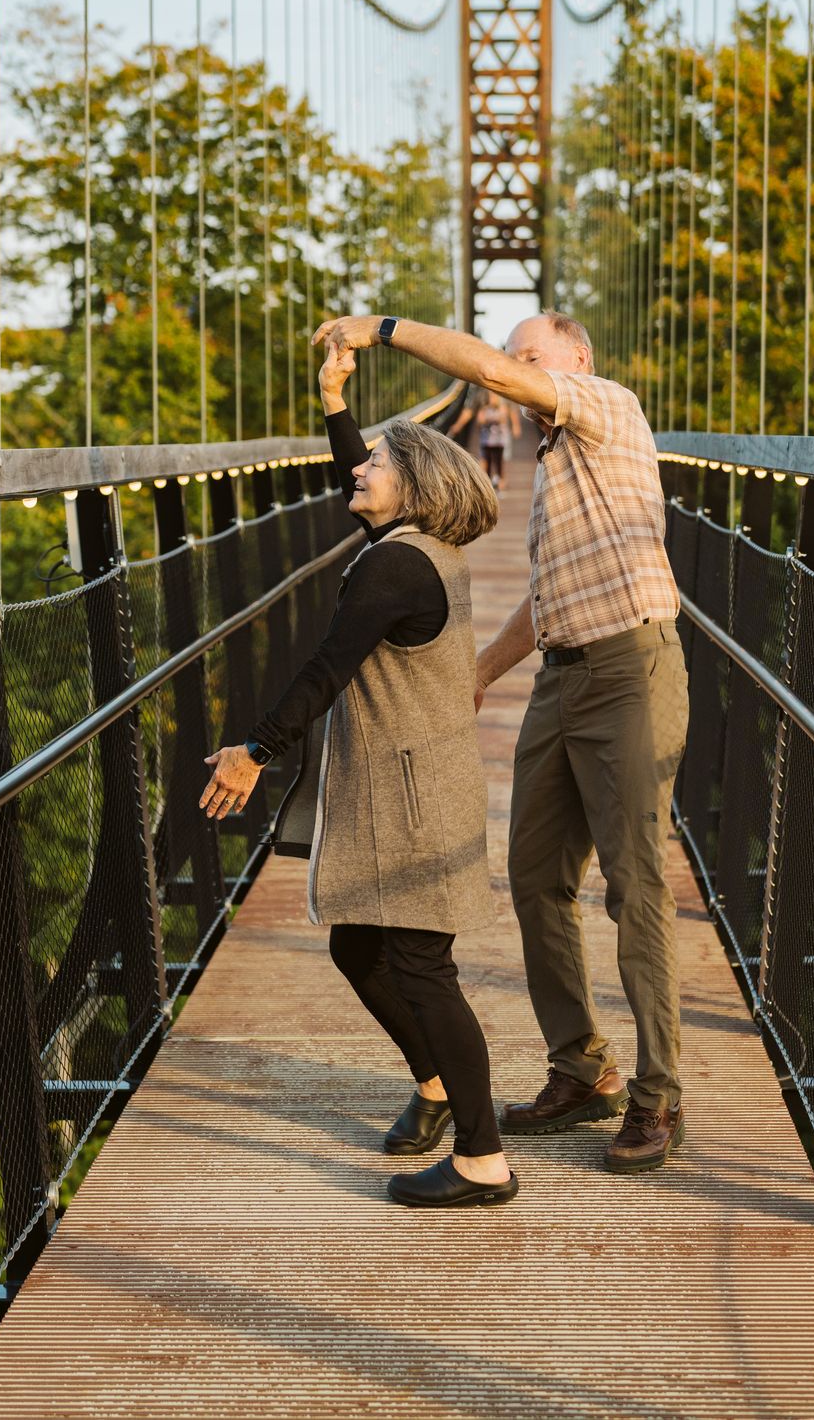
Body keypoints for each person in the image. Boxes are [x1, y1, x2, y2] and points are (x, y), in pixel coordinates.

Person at [310, 309, 689, 1175]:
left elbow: (492, 373)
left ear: (576, 358)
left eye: (529, 357)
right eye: (510, 356)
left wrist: (386, 328)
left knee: (635, 888)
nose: (510, 372)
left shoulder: (606, 406)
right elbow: (549, 595)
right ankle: (582, 1069)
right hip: (562, 672)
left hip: (632, 667)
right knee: (535, 879)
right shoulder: (556, 465)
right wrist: (482, 669)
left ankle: (658, 1094)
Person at [200, 338, 518, 1209]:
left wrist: (254, 752)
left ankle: (484, 1160)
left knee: (420, 966)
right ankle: (439, 1088)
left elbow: (326, 666)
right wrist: (335, 402)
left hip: (416, 795)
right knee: (357, 943)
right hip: (408, 781)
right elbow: (364, 485)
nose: (360, 469)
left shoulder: (397, 565)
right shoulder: (405, 547)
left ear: (410, 488)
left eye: (376, 462)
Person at [475, 390, 521, 489]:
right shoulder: (484, 408)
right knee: (486, 462)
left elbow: (503, 418)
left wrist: (515, 426)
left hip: (500, 441)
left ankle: (501, 483)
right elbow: (479, 421)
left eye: (495, 397)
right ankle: (485, 484)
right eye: (491, 397)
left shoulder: (502, 406)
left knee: (500, 463)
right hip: (487, 441)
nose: (493, 399)